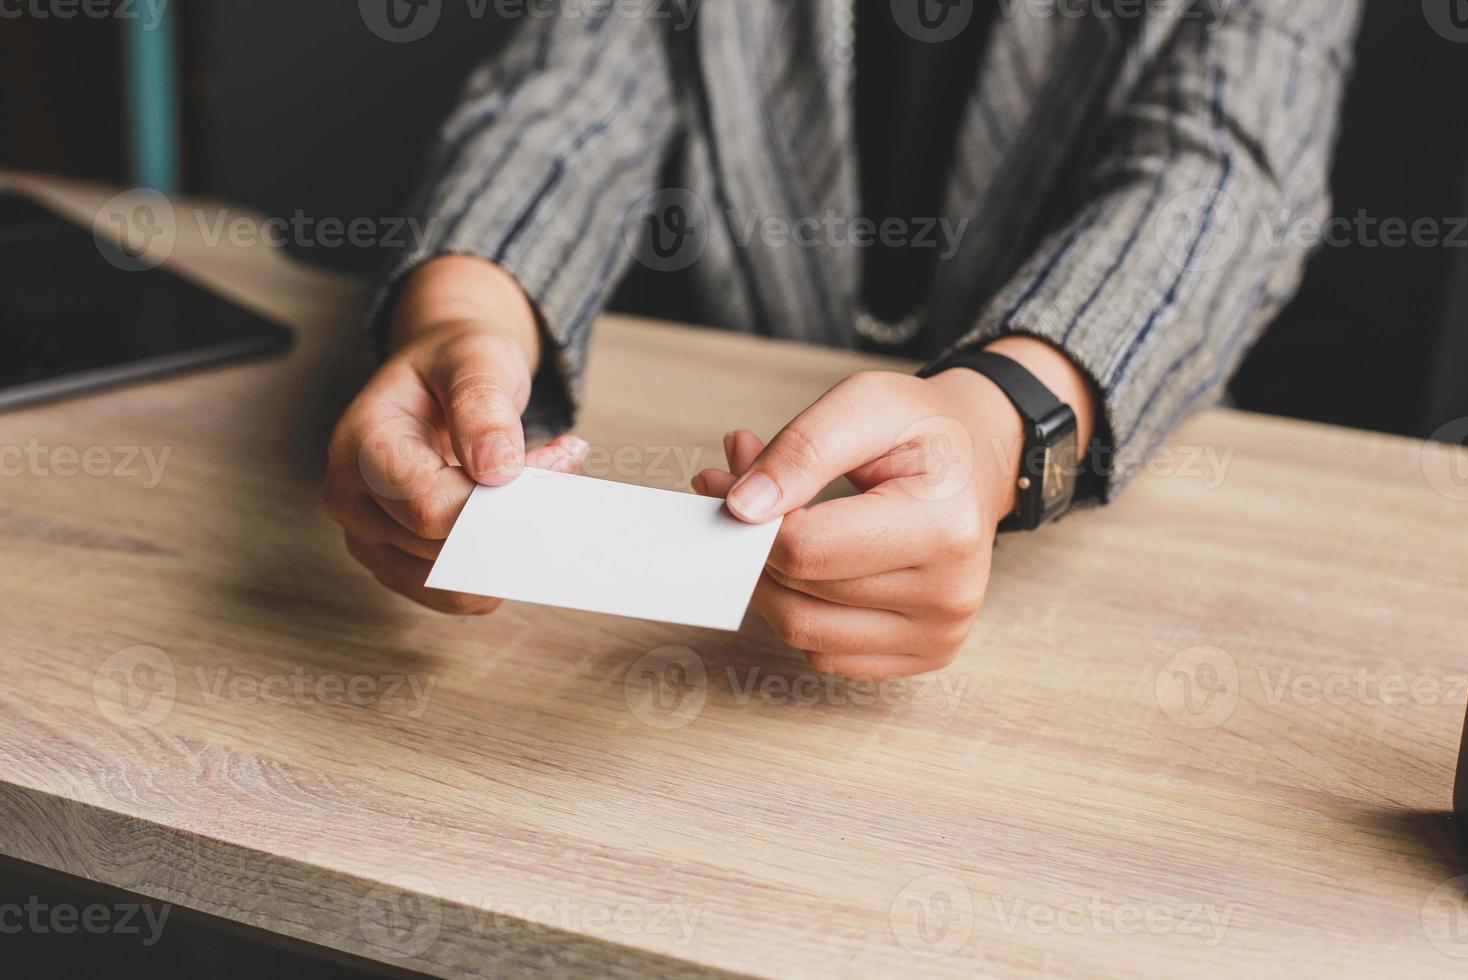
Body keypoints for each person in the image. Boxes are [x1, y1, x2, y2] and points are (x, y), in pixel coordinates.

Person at [324, 0, 1362, 678]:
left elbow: (1226, 172)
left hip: (1111, 591)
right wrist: (465, 314)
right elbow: (576, 80)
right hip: (685, 589)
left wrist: (1008, 421)